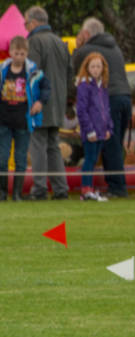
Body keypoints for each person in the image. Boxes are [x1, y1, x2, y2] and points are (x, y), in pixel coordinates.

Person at [73, 17, 132, 198]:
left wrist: (78, 47)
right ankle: (115, 184)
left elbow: (74, 68)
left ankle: (118, 188)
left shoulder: (86, 50)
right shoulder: (115, 48)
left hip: (108, 99)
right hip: (125, 98)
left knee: (110, 146)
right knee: (115, 144)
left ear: (86, 34)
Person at [24, 6, 72, 200]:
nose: (25, 26)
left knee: (37, 145)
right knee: (53, 146)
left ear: (34, 22)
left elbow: (32, 74)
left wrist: (34, 101)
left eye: (26, 22)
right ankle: (61, 189)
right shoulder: (61, 42)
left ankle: (39, 189)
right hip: (58, 102)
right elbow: (70, 74)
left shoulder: (34, 42)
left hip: (40, 103)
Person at [0, 36, 50, 201]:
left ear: (26, 53)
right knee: (2, 158)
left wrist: (40, 102)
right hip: (4, 121)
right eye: (16, 53)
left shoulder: (34, 72)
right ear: (11, 52)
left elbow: (46, 88)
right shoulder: (3, 70)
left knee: (21, 159)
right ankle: (2, 193)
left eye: (22, 54)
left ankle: (17, 194)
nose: (19, 57)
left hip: (23, 121)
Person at [76, 53, 112, 202]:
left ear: (103, 68)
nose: (96, 69)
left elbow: (107, 109)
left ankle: (90, 189)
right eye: (93, 66)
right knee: (89, 159)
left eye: (98, 66)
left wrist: (109, 128)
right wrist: (89, 130)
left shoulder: (102, 87)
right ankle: (85, 190)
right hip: (90, 132)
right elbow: (82, 110)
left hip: (102, 131)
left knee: (94, 160)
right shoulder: (84, 86)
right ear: (87, 68)